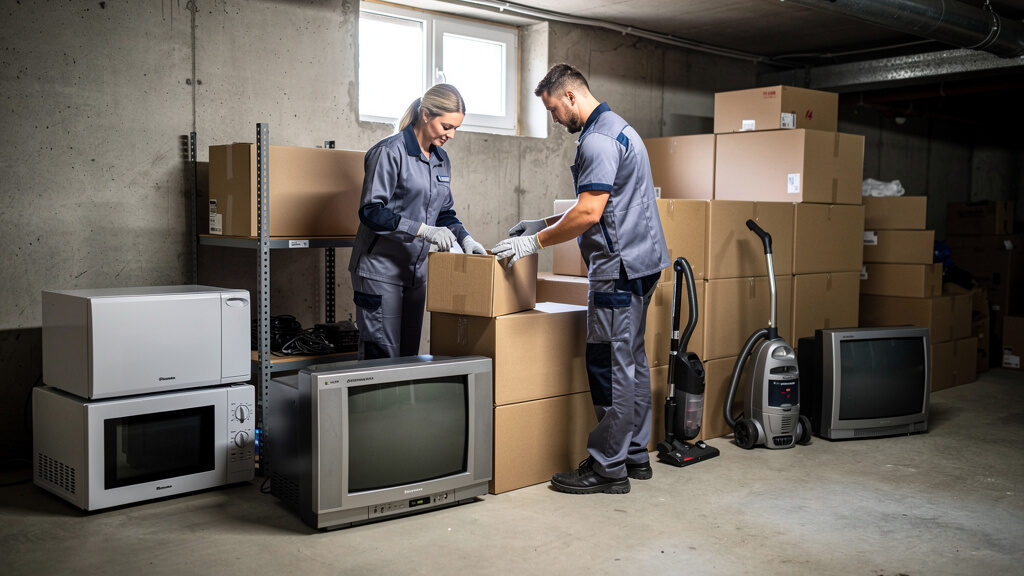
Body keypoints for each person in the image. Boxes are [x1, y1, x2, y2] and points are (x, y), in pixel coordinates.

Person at [493, 64, 669, 495]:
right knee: (632, 362)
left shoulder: (596, 140)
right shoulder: (620, 129)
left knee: (610, 367)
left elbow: (590, 213)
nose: (555, 120)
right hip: (643, 264)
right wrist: (545, 220)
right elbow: (603, 203)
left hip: (618, 269)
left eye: (554, 110)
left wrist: (533, 242)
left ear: (570, 96)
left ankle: (608, 468)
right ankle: (634, 454)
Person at [349, 83, 487, 360]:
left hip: (415, 273)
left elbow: (444, 213)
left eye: (456, 128)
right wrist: (422, 230)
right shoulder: (389, 152)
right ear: (426, 114)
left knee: (410, 357)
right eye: (447, 126)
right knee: (383, 355)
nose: (452, 134)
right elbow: (371, 212)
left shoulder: (441, 159)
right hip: (380, 272)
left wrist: (465, 239)